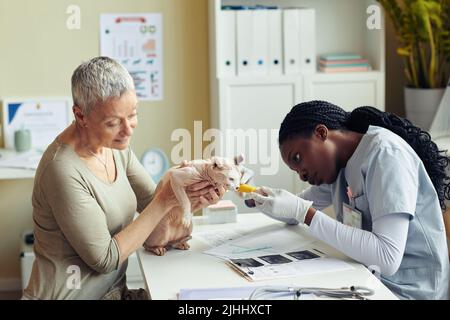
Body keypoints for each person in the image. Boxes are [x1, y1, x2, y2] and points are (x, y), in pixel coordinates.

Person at [23, 57, 251, 299]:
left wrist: (192, 198)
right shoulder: (61, 170)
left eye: (132, 114)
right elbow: (105, 259)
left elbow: (153, 209)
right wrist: (166, 199)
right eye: (113, 123)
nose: (128, 129)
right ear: (81, 116)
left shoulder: (114, 147)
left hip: (114, 293)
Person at [245, 100, 450, 300]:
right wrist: (251, 193)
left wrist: (304, 213)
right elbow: (292, 212)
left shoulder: (385, 155)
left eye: (297, 158)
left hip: (409, 291)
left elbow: (387, 258)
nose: (302, 176)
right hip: (369, 279)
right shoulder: (340, 167)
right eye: (295, 170)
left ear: (321, 133)